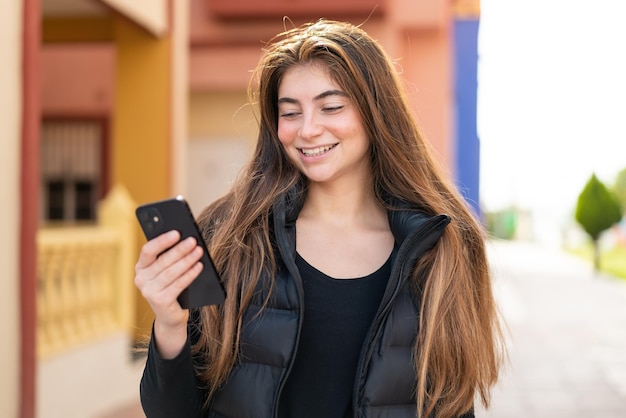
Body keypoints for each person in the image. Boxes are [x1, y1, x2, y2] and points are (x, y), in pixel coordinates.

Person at [134, 19, 505, 418]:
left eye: (331, 107)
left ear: (376, 111)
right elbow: (172, 412)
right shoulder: (231, 236)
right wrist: (170, 325)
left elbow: (452, 402)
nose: (308, 130)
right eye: (290, 112)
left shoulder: (441, 248)